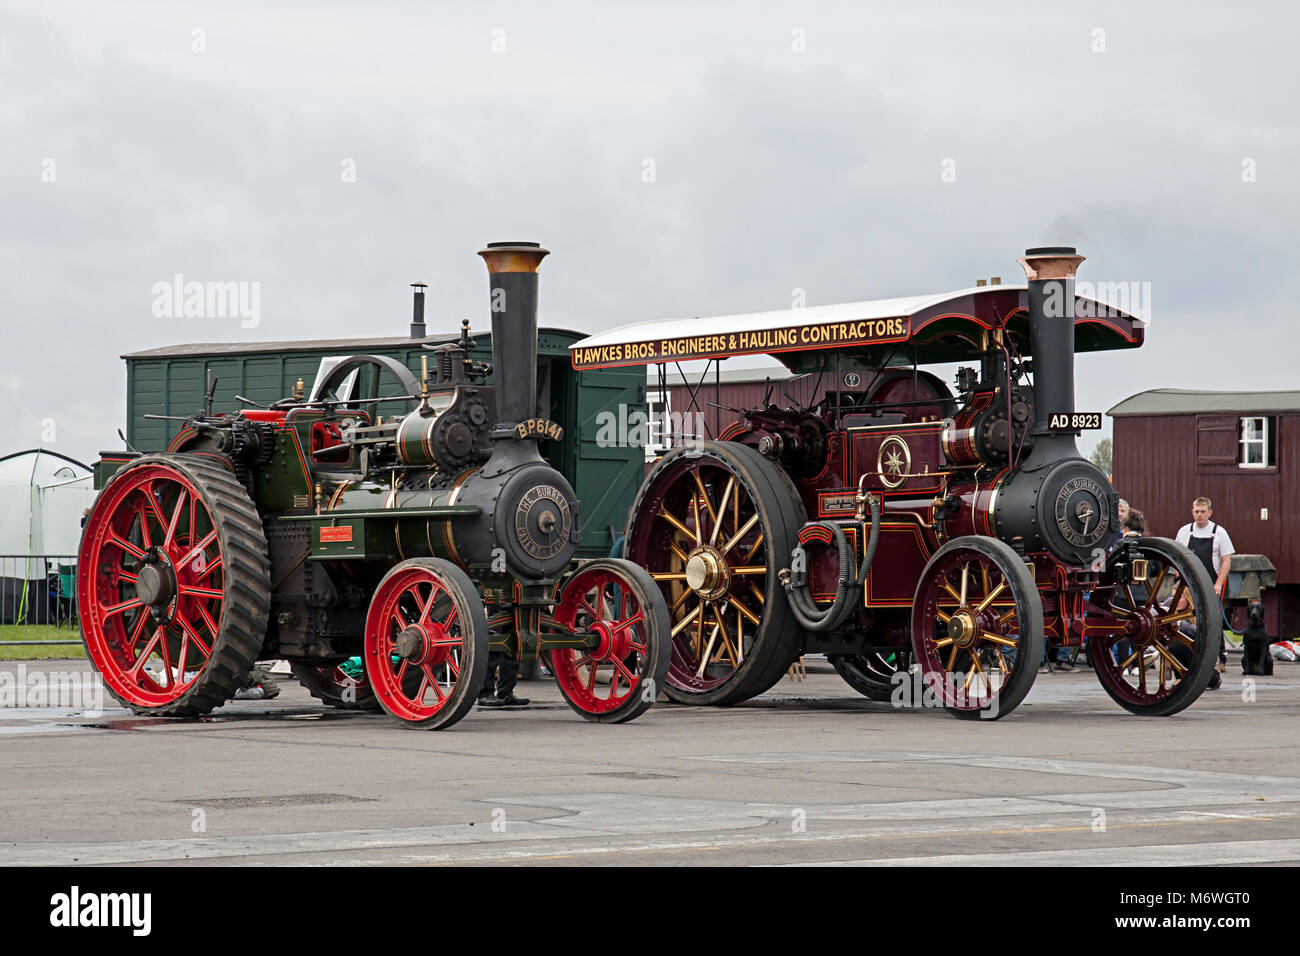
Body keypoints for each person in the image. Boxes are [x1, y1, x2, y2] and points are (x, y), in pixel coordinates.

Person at [1175, 496, 1234, 689]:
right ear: (1192, 512)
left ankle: (1217, 661)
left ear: (1210, 512)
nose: (1199, 515)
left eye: (1203, 511)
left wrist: (1218, 585)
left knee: (1211, 624)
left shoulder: (1219, 533)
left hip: (1209, 586)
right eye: (1196, 511)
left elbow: (1226, 561)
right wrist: (1178, 581)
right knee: (1181, 623)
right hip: (1188, 587)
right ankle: (1182, 664)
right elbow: (1175, 557)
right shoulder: (1185, 532)